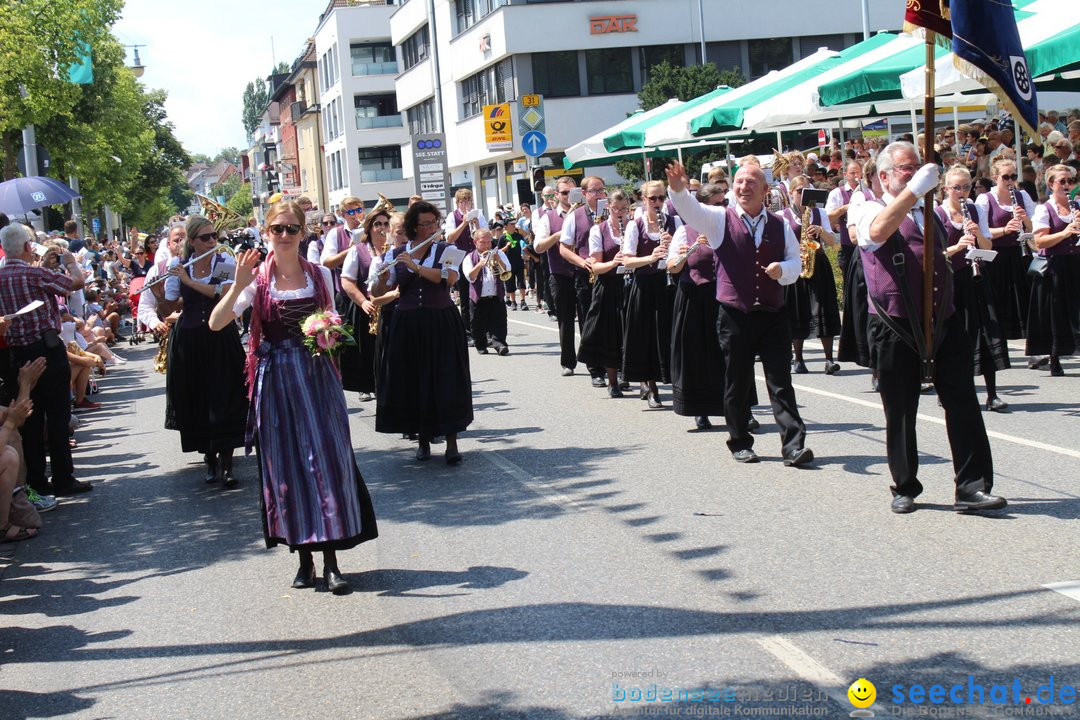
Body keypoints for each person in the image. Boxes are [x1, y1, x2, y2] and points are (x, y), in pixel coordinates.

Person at [209, 200, 378, 594]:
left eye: (292, 229)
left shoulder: (319, 275)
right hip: (277, 381)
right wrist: (237, 282)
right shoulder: (256, 280)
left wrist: (328, 331)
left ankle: (333, 560)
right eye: (277, 229)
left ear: (304, 234)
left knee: (327, 462)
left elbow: (334, 325)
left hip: (318, 377)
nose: (284, 236)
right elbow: (217, 323)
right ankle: (303, 558)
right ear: (266, 233)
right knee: (287, 468)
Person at [856, 141, 1005, 514]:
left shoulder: (931, 211)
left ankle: (971, 487)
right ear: (884, 176)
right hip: (896, 323)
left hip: (942, 318)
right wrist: (913, 191)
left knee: (963, 402)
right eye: (906, 168)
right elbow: (875, 233)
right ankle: (905, 485)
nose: (915, 172)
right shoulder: (869, 206)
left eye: (917, 167)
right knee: (901, 409)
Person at [667, 161, 814, 467]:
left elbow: (795, 265)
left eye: (751, 182)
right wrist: (678, 189)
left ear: (764, 190)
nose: (744, 187)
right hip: (735, 313)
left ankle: (793, 446)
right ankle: (739, 441)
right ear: (733, 188)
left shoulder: (779, 224)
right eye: (739, 182)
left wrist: (782, 270)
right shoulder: (720, 219)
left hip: (772, 314)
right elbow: (690, 211)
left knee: (781, 381)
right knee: (737, 379)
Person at [372, 201, 473, 464]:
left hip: (440, 321)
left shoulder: (448, 249)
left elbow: (449, 278)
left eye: (433, 223)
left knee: (446, 378)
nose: (429, 228)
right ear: (413, 226)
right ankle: (423, 441)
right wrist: (382, 276)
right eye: (424, 224)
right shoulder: (397, 253)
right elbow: (378, 293)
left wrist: (416, 268)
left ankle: (452, 442)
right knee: (414, 379)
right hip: (407, 323)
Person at [0, 223, 92, 496]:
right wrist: (70, 262)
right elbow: (75, 283)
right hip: (47, 349)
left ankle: (37, 481)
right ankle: (63, 477)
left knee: (30, 418)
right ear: (28, 247)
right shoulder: (33, 273)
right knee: (58, 415)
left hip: (16, 355)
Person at [163, 218, 246, 487]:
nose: (212, 242)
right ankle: (210, 459)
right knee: (199, 398)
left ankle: (228, 463)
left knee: (226, 395)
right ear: (192, 242)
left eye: (214, 236)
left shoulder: (223, 263)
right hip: (190, 339)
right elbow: (168, 306)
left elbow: (220, 294)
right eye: (206, 238)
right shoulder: (177, 265)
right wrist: (162, 286)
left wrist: (188, 279)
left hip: (220, 337)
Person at [937, 165, 1011, 410]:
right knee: (955, 337)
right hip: (951, 280)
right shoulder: (938, 213)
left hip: (977, 278)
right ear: (946, 188)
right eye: (956, 187)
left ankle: (992, 394)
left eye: (966, 186)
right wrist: (958, 247)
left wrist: (978, 232)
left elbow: (988, 245)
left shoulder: (977, 209)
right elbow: (935, 254)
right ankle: (948, 389)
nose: (962, 192)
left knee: (986, 331)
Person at [622, 180, 680, 407]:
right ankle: (651, 386)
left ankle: (674, 381)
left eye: (661, 198)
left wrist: (674, 244)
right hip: (645, 285)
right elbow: (627, 260)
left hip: (670, 285)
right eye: (652, 198)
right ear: (643, 199)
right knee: (647, 336)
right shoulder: (635, 225)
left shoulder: (674, 222)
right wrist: (651, 257)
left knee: (670, 334)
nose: (657, 203)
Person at [782, 176, 842, 375]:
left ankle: (829, 359)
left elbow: (832, 241)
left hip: (818, 262)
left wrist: (821, 230)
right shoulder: (783, 215)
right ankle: (798, 359)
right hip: (796, 264)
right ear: (791, 193)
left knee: (824, 308)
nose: (802, 194)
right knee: (796, 310)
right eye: (799, 191)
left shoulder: (819, 212)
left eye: (806, 190)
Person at [1026, 164, 1080, 377]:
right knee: (1056, 313)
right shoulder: (1044, 209)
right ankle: (1054, 356)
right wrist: (1066, 232)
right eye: (1062, 181)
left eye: (1070, 181)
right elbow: (1040, 240)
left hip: (1076, 262)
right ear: (1051, 184)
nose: (1067, 185)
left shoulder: (1077, 205)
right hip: (1056, 265)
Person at [974, 157, 1036, 343]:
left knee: (1025, 299)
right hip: (997, 256)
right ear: (995, 177)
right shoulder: (985, 199)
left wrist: (1024, 219)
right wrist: (1004, 230)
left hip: (1020, 252)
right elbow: (982, 232)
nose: (1010, 181)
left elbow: (1035, 228)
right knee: (1000, 299)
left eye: (1013, 176)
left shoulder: (1022, 196)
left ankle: (1030, 343)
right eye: (1005, 177)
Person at [577, 189, 630, 396]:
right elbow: (596, 267)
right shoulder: (599, 230)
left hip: (629, 284)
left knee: (630, 332)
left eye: (624, 208)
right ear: (608, 207)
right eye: (616, 208)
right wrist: (614, 262)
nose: (620, 212)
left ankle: (634, 376)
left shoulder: (634, 226)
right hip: (608, 285)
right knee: (610, 334)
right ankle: (613, 381)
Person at [557, 176, 609, 387]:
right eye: (594, 191)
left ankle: (616, 366)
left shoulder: (611, 211)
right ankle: (595, 369)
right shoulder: (575, 216)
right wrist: (582, 261)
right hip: (586, 274)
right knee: (590, 322)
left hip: (611, 271)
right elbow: (563, 248)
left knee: (614, 320)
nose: (599, 194)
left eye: (602, 190)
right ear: (585, 194)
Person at [532, 176, 581, 375]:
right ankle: (568, 362)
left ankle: (595, 363)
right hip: (560, 274)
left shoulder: (586, 213)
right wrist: (555, 236)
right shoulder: (548, 217)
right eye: (564, 193)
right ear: (557, 195)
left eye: (573, 192)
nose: (569, 196)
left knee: (590, 319)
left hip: (584, 272)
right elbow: (538, 246)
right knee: (566, 320)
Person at [339, 208, 388, 401]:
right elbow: (347, 281)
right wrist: (363, 302)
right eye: (377, 224)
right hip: (366, 308)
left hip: (391, 306)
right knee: (367, 350)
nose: (382, 228)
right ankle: (366, 385)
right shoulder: (357, 251)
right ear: (369, 227)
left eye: (385, 224)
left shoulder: (395, 249)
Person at [443, 188, 487, 336]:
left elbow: (487, 235)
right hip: (459, 257)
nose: (465, 204)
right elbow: (449, 238)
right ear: (457, 203)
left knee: (480, 293)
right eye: (462, 201)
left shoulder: (478, 214)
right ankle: (467, 331)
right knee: (464, 294)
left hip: (476, 257)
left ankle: (481, 329)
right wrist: (463, 223)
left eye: (468, 200)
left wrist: (477, 225)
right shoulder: (452, 216)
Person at [462, 228, 511, 356]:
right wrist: (479, 265)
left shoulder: (499, 253)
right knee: (477, 324)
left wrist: (498, 259)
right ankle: (481, 345)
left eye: (489, 242)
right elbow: (470, 277)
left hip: (496, 295)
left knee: (500, 322)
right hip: (479, 297)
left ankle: (500, 345)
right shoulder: (469, 257)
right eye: (483, 242)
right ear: (475, 242)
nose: (487, 245)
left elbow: (507, 270)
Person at [497, 218, 528, 310]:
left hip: (519, 261)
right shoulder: (503, 238)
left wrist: (525, 252)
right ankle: (513, 301)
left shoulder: (518, 236)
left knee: (521, 282)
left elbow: (525, 242)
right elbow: (498, 252)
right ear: (506, 226)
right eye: (511, 224)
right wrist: (506, 246)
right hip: (508, 263)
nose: (514, 226)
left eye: (514, 224)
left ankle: (523, 301)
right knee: (510, 283)